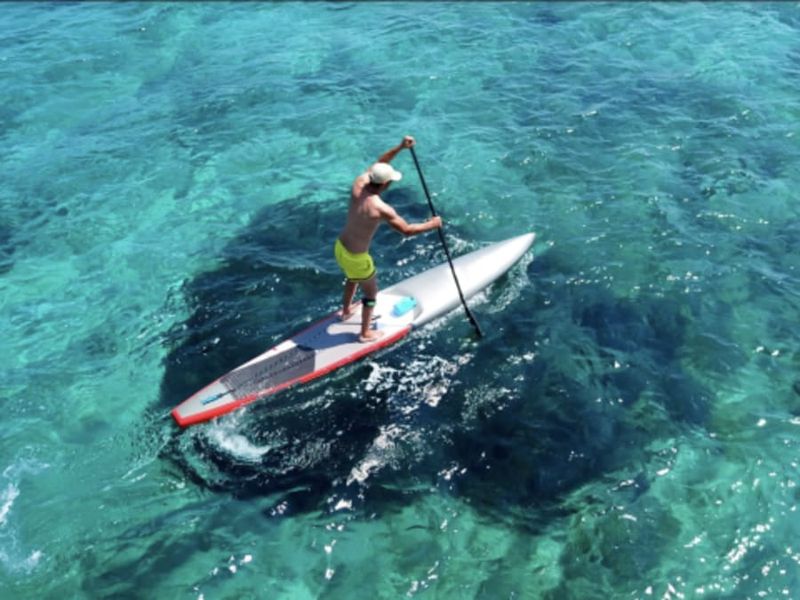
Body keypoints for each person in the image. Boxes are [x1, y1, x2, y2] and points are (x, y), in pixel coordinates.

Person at [334, 135, 442, 342]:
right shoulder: (380, 208)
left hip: (340, 247)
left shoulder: (359, 183)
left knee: (352, 278)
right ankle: (365, 333)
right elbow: (407, 230)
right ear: (384, 184)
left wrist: (401, 147)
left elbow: (380, 163)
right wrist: (432, 224)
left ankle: (346, 310)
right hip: (357, 257)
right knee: (371, 294)